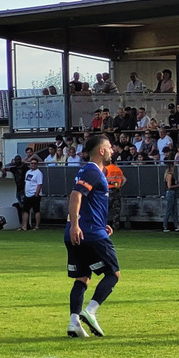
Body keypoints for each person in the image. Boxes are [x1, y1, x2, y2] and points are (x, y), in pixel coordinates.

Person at [64, 134, 121, 338]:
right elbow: (75, 196)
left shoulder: (86, 171)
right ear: (101, 150)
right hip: (88, 234)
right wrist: (76, 225)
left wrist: (99, 223)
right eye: (110, 147)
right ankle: (90, 311)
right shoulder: (92, 171)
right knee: (113, 274)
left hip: (84, 231)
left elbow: (87, 202)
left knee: (82, 278)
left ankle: (74, 323)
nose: (113, 151)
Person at [21, 156, 44, 231]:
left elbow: (39, 184)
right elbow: (26, 182)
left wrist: (36, 194)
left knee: (36, 210)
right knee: (25, 210)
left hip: (34, 194)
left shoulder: (38, 173)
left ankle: (37, 226)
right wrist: (25, 191)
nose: (33, 164)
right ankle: (24, 226)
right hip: (27, 194)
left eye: (35, 163)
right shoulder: (28, 172)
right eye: (32, 163)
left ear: (37, 164)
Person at [104, 160, 126, 229]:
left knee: (105, 207)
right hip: (117, 190)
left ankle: (104, 225)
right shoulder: (118, 169)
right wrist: (119, 185)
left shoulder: (106, 168)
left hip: (108, 190)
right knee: (116, 209)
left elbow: (102, 178)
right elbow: (124, 179)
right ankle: (116, 225)